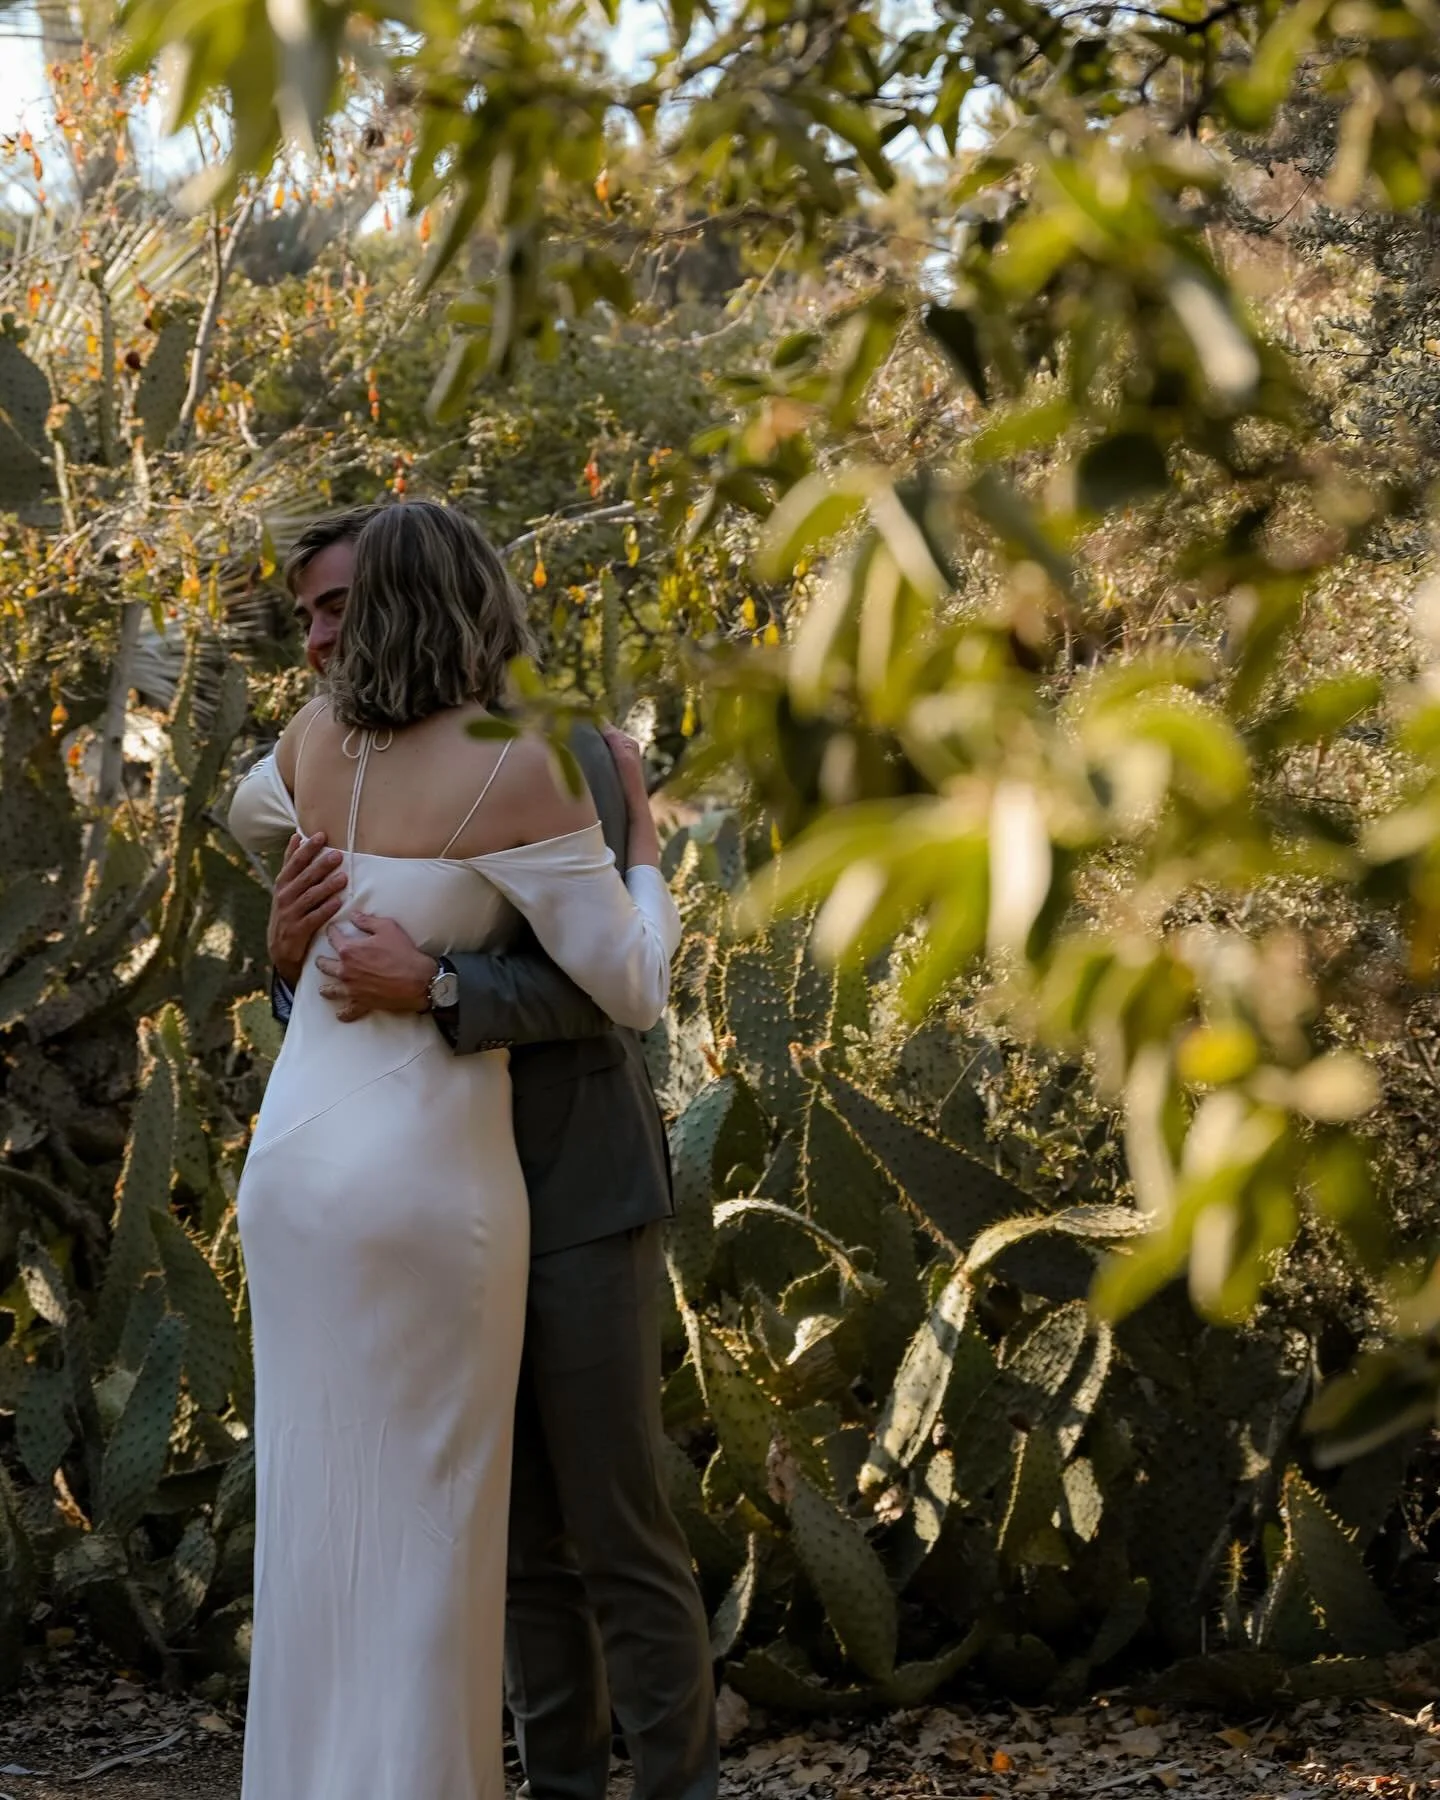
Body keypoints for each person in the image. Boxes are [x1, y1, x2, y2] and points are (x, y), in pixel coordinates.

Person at [246, 501, 718, 1800]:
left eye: (339, 610)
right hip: (427, 1194)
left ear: (409, 601)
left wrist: (443, 984)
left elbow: (600, 996)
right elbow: (317, 901)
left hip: (564, 1188)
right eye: (308, 617)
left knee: (615, 1529)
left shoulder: (567, 751)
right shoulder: (334, 743)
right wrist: (290, 948)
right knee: (502, 1542)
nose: (318, 641)